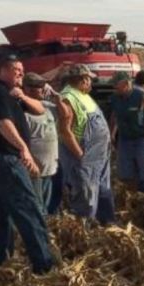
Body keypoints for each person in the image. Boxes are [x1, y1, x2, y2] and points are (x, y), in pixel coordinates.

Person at [0, 57, 56, 273]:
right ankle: (44, 265)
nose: (21, 73)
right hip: (6, 160)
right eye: (16, 70)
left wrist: (22, 96)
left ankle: (1, 262)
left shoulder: (12, 94)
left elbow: (39, 110)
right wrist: (23, 149)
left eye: (22, 69)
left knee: (3, 212)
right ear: (1, 71)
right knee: (28, 209)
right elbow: (3, 124)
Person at [58, 63, 116, 225]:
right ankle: (85, 232)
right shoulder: (68, 97)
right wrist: (79, 155)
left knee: (103, 189)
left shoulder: (83, 95)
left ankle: (107, 223)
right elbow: (65, 131)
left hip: (99, 155)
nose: (91, 83)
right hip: (85, 155)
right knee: (86, 195)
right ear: (83, 79)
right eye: (89, 80)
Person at [111, 72, 144, 192]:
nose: (114, 87)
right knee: (126, 176)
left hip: (142, 139)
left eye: (116, 84)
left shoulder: (141, 95)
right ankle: (135, 200)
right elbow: (114, 117)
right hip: (124, 139)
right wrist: (112, 134)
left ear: (126, 84)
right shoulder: (115, 98)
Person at [22, 72, 61, 213]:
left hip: (50, 169)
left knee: (47, 206)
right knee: (37, 208)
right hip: (34, 172)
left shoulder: (48, 106)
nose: (44, 89)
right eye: (40, 87)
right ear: (28, 90)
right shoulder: (23, 113)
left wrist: (57, 97)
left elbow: (67, 114)